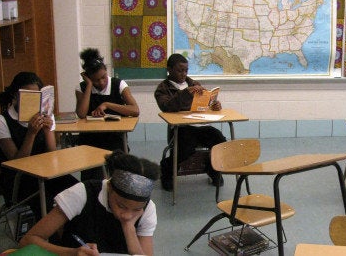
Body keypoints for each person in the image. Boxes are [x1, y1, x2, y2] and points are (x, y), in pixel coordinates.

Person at [19, 152, 159, 256]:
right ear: (109, 187)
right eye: (121, 206)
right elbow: (28, 240)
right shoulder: (83, 193)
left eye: (136, 210)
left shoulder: (148, 208)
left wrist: (128, 227)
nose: (128, 215)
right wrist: (72, 252)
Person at [0, 72, 78, 218]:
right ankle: (47, 237)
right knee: (45, 200)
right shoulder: (1, 120)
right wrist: (31, 133)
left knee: (76, 189)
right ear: (15, 96)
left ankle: (72, 234)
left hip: (45, 174)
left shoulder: (46, 115)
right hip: (18, 181)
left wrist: (47, 130)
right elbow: (17, 163)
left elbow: (52, 155)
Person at [154, 53, 226, 190]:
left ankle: (213, 169)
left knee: (220, 142)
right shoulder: (163, 89)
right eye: (179, 70)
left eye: (186, 70)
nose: (183, 74)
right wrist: (185, 93)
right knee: (185, 149)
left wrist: (214, 105)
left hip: (201, 125)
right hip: (181, 128)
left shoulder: (193, 83)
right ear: (169, 69)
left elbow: (204, 104)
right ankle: (167, 171)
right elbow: (167, 107)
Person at [75, 48, 140, 180]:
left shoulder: (119, 84)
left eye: (103, 77)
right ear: (88, 78)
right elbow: (81, 114)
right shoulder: (81, 87)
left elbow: (135, 110)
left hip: (114, 138)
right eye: (95, 80)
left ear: (106, 71)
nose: (101, 82)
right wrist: (88, 86)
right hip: (90, 140)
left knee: (118, 175)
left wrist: (107, 104)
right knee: (92, 177)